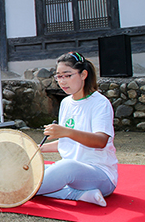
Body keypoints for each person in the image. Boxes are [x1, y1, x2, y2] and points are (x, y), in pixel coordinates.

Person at [36, 52, 117, 207]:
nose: (62, 81)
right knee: (34, 169)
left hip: (100, 175)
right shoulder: (66, 103)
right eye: (58, 76)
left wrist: (66, 131)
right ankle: (81, 194)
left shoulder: (100, 103)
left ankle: (13, 189)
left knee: (66, 167)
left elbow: (101, 141)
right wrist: (38, 148)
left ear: (83, 74)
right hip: (72, 173)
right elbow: (68, 143)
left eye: (67, 75)